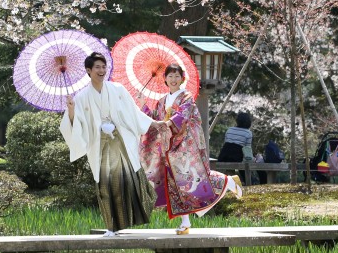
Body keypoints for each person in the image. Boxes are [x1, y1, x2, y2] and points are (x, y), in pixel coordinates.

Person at [60, 52, 161, 237]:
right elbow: (76, 125)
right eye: (97, 67)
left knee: (128, 181)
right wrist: (72, 110)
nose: (101, 70)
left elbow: (132, 111)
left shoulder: (117, 89)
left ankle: (127, 218)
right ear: (88, 71)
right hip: (100, 145)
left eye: (103, 67)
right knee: (105, 187)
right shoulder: (81, 97)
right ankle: (111, 226)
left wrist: (153, 123)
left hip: (119, 141)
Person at [138, 64, 244, 235]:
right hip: (169, 146)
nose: (173, 79)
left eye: (177, 76)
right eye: (170, 76)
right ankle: (185, 222)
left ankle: (228, 182)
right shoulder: (162, 101)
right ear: (165, 78)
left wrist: (168, 123)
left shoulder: (186, 97)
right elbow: (154, 120)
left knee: (192, 178)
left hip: (184, 145)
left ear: (182, 78)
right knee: (175, 183)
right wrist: (143, 105)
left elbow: (183, 115)